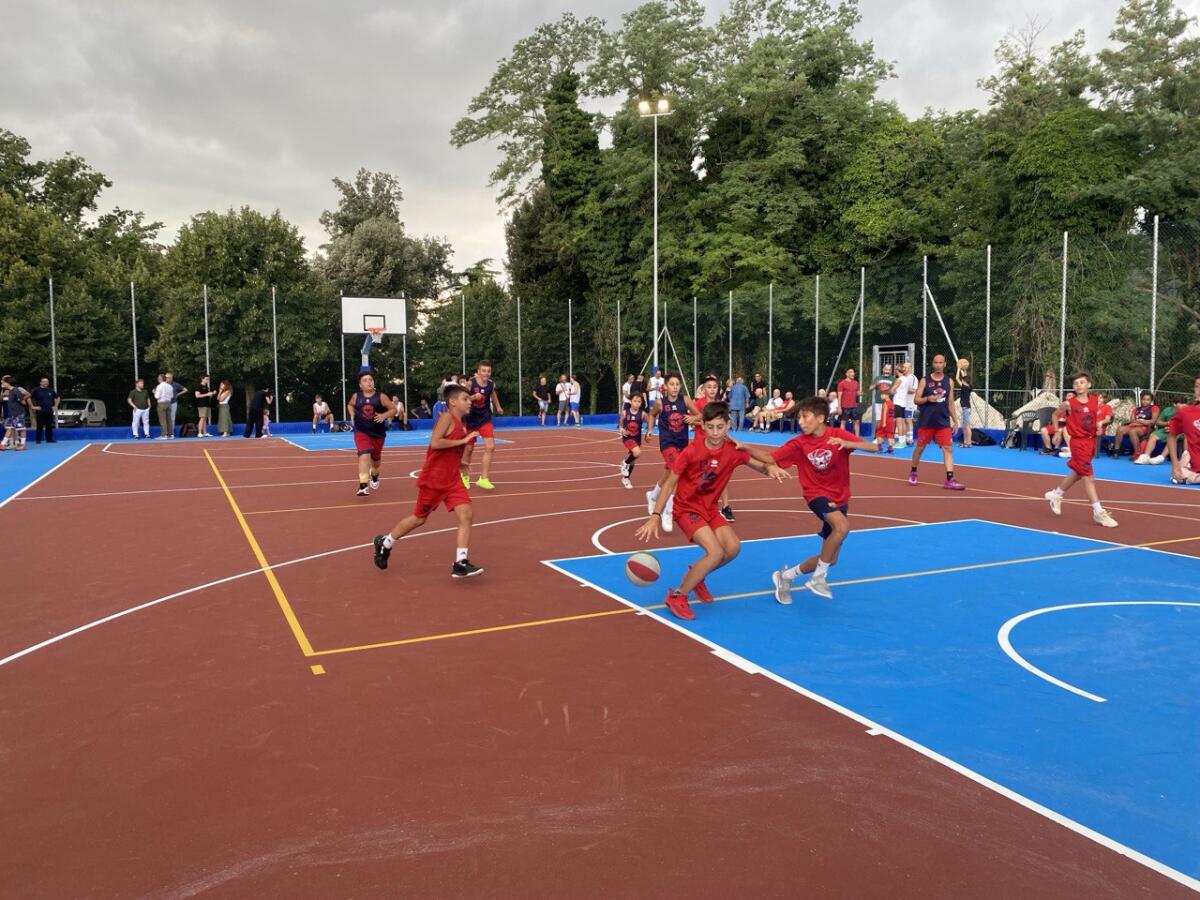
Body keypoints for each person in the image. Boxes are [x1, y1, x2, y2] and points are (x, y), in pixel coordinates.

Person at [635, 401, 788, 621]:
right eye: (711, 427)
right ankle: (678, 596)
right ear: (703, 426)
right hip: (687, 509)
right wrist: (655, 515)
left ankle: (697, 575)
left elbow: (760, 464)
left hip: (710, 509)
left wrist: (771, 469)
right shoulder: (691, 452)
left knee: (733, 548)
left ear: (728, 425)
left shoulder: (732, 451)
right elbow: (669, 483)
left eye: (720, 427)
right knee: (715, 553)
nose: (715, 432)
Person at [744, 395, 880, 601]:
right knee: (842, 527)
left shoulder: (837, 435)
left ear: (820, 418)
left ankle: (785, 576)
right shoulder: (799, 443)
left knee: (831, 558)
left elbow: (874, 447)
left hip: (840, 497)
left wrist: (846, 442)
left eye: (804, 417)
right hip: (815, 494)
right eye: (798, 417)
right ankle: (818, 578)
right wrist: (744, 448)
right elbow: (770, 458)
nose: (800, 422)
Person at [372, 383, 483, 578]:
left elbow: (451, 451)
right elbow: (436, 443)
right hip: (434, 479)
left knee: (466, 514)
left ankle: (460, 562)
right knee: (419, 519)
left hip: (452, 479)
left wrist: (462, 462)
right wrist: (463, 442)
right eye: (465, 399)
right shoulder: (447, 417)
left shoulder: (461, 423)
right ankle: (386, 542)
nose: (469, 403)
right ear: (453, 402)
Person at [1043, 373, 1118, 526]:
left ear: (1088, 385)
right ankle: (1098, 512)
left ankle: (1056, 494)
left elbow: (1094, 418)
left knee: (1079, 472)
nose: (1078, 385)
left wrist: (1098, 426)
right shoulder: (1069, 404)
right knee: (1088, 477)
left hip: (1091, 442)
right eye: (1076, 383)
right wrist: (1057, 431)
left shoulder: (1095, 401)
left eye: (1082, 382)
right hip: (1078, 443)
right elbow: (1055, 415)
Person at [645, 373, 700, 533]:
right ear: (666, 386)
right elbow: (652, 414)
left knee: (670, 472)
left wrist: (693, 418)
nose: (675, 387)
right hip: (667, 442)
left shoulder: (686, 401)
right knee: (678, 470)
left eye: (677, 384)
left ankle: (653, 496)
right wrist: (649, 430)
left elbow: (700, 415)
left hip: (682, 443)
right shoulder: (660, 403)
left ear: (680, 386)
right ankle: (668, 510)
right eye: (672, 384)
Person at [907, 354, 966, 490]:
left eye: (941, 362)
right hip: (927, 422)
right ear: (933, 364)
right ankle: (913, 472)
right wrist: (928, 399)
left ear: (945, 364)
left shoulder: (949, 381)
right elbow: (916, 400)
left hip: (943, 422)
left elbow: (950, 402)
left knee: (948, 449)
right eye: (936, 362)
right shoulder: (925, 380)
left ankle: (950, 479)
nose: (938, 364)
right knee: (920, 448)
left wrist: (955, 421)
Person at [348, 371, 397, 496]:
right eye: (365, 380)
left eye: (370, 379)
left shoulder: (381, 397)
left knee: (375, 461)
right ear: (360, 385)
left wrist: (384, 415)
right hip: (361, 431)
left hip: (378, 433)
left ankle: (375, 474)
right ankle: (363, 486)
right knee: (364, 455)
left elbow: (393, 409)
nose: (369, 382)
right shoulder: (356, 396)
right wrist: (352, 413)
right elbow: (350, 405)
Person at [460, 360, 504, 491]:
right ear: (478, 372)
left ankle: (483, 479)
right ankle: (464, 477)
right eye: (483, 371)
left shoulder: (490, 384)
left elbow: (493, 394)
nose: (486, 373)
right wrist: (473, 397)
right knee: (468, 450)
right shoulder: (470, 383)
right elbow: (463, 400)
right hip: (470, 420)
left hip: (485, 419)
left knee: (490, 447)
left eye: (488, 371)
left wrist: (498, 406)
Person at [1167, 376, 1200, 484]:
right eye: (1197, 386)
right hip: (1195, 463)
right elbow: (1171, 435)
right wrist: (1175, 463)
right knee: (1178, 475)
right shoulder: (1185, 412)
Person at [618, 392, 650, 489]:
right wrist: (622, 430)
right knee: (637, 453)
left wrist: (648, 432)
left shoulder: (643, 414)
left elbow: (650, 422)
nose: (637, 403)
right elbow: (620, 425)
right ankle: (625, 463)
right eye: (635, 401)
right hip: (627, 438)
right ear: (631, 401)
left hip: (637, 439)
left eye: (639, 401)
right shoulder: (625, 412)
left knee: (633, 460)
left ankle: (626, 478)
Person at [1112, 392, 1157, 458]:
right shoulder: (1136, 409)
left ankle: (1137, 453)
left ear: (1151, 401)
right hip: (1134, 426)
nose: (1145, 401)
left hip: (1147, 428)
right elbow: (1132, 420)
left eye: (1148, 400)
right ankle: (1116, 450)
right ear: (1141, 400)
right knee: (1120, 429)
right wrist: (1143, 421)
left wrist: (1139, 421)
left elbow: (1153, 421)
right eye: (1144, 399)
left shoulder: (1154, 408)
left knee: (1133, 431)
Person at [891, 362, 917, 447]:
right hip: (903, 402)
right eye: (904, 367)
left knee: (904, 421)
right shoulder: (905, 378)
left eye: (906, 367)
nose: (904, 368)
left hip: (905, 402)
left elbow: (913, 390)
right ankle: (904, 439)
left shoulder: (907, 378)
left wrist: (894, 390)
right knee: (903, 421)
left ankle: (906, 440)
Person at [0, 376, 28, 451]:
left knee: (21, 429)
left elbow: (23, 402)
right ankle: (2, 444)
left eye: (4, 382)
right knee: (9, 428)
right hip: (11, 414)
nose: (3, 383)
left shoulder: (16, 391)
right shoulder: (10, 391)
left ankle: (23, 445)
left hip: (18, 413)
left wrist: (19, 402)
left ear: (8, 383)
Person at [29, 377, 58, 444]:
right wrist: (32, 406)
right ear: (40, 382)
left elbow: (57, 398)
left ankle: (49, 439)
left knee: (49, 426)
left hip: (49, 410)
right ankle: (38, 440)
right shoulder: (36, 390)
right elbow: (29, 398)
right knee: (39, 426)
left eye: (47, 382)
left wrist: (55, 406)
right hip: (40, 411)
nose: (46, 383)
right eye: (44, 381)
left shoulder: (51, 390)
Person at [868, 363, 894, 438]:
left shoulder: (893, 379)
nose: (887, 371)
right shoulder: (878, 378)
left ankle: (889, 435)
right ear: (883, 369)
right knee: (878, 419)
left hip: (889, 402)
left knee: (889, 419)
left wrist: (888, 389)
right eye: (886, 369)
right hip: (879, 401)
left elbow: (895, 390)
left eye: (889, 370)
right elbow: (870, 388)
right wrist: (875, 384)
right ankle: (877, 435)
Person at [836, 368, 861, 436]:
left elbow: (857, 392)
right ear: (847, 374)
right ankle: (842, 437)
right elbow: (839, 396)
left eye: (853, 372)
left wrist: (859, 393)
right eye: (851, 372)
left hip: (853, 405)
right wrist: (839, 407)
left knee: (857, 421)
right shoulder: (842, 383)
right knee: (843, 422)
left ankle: (857, 438)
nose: (853, 373)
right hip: (845, 406)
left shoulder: (856, 383)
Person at [955, 359, 973, 448]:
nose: (961, 381)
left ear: (965, 382)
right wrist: (964, 369)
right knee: (964, 426)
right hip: (965, 408)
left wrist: (959, 368)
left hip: (966, 408)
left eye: (963, 380)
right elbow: (962, 378)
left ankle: (968, 443)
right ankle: (966, 442)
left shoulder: (966, 387)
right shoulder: (966, 387)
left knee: (967, 426)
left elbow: (957, 378)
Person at [154, 374, 175, 439]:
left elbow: (157, 396)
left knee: (162, 419)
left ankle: (164, 435)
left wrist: (154, 392)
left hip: (161, 403)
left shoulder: (159, 386)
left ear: (160, 379)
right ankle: (171, 434)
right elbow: (172, 396)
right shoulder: (170, 386)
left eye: (158, 378)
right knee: (169, 419)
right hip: (169, 403)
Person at [875, 388, 895, 453]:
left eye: (882, 395)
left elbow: (884, 413)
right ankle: (890, 448)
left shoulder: (885, 403)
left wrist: (883, 422)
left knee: (879, 434)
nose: (881, 396)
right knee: (890, 435)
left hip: (885, 421)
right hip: (891, 421)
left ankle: (879, 447)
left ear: (886, 395)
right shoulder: (892, 403)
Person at [1094, 390, 1113, 455]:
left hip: (1099, 427)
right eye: (1097, 397)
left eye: (1101, 398)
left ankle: (1095, 452)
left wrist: (1101, 422)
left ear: (1104, 399)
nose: (1098, 399)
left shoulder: (1107, 407)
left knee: (1097, 427)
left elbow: (1107, 419)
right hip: (1089, 426)